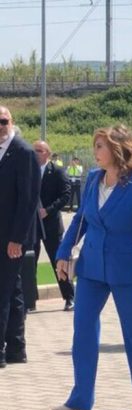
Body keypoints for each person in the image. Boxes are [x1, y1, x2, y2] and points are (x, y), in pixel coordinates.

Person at [53, 125, 132, 410]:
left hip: (127, 269)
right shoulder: (93, 179)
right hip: (92, 268)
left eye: (100, 146)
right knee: (83, 331)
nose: (95, 152)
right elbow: (80, 220)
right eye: (95, 146)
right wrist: (63, 253)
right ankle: (80, 399)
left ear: (117, 149)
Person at [0, 106, 41, 368]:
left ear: (11, 121)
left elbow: (28, 200)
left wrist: (17, 238)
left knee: (2, 291)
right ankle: (16, 348)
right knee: (12, 289)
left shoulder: (23, 152)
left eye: (3, 121)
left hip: (11, 238)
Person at [33, 140, 75, 312]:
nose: (35, 153)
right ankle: (30, 300)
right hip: (32, 225)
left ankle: (70, 297)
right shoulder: (28, 171)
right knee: (29, 264)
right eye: (33, 150)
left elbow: (66, 195)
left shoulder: (57, 171)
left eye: (39, 150)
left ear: (48, 154)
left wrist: (48, 210)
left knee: (59, 261)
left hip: (51, 225)